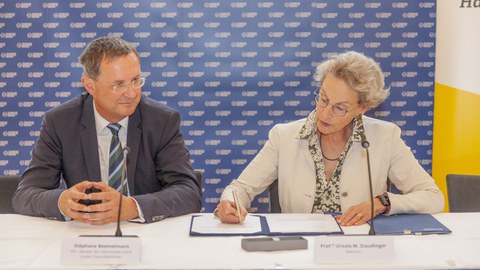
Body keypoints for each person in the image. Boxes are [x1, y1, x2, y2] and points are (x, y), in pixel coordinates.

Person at [215, 51, 444, 226]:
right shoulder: (283, 136)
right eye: (323, 99)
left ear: (362, 107)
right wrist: (230, 202)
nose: (324, 114)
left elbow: (433, 198)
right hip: (298, 251)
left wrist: (382, 203)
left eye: (340, 108)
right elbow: (241, 188)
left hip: (358, 253)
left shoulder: (385, 137)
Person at [13, 36, 201, 224]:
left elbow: (188, 192)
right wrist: (62, 202)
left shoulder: (161, 121)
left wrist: (133, 207)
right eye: (119, 84)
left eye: (135, 80)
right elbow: (25, 195)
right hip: (85, 234)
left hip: (147, 233)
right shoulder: (60, 122)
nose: (132, 92)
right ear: (90, 86)